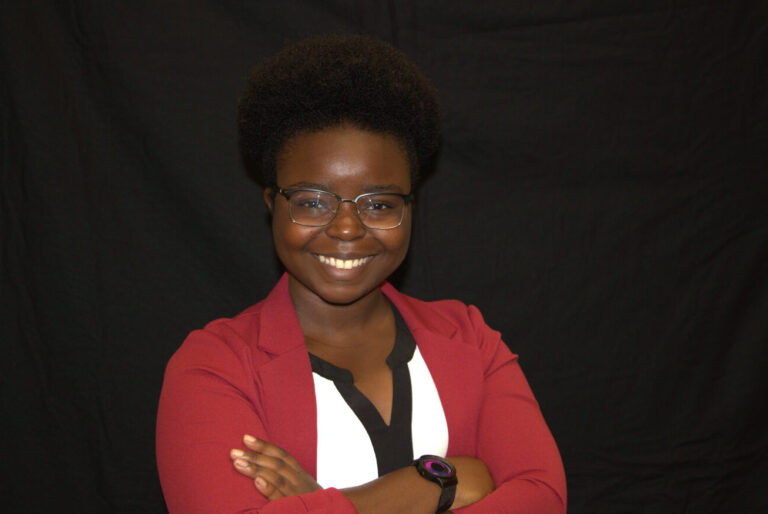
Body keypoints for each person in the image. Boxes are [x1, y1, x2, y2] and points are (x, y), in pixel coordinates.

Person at [156, 34, 566, 513]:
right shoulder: (216, 368)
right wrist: (439, 482)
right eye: (312, 201)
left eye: (379, 204)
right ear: (273, 205)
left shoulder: (470, 339)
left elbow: (543, 499)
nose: (347, 228)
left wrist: (322, 504)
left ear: (411, 209)